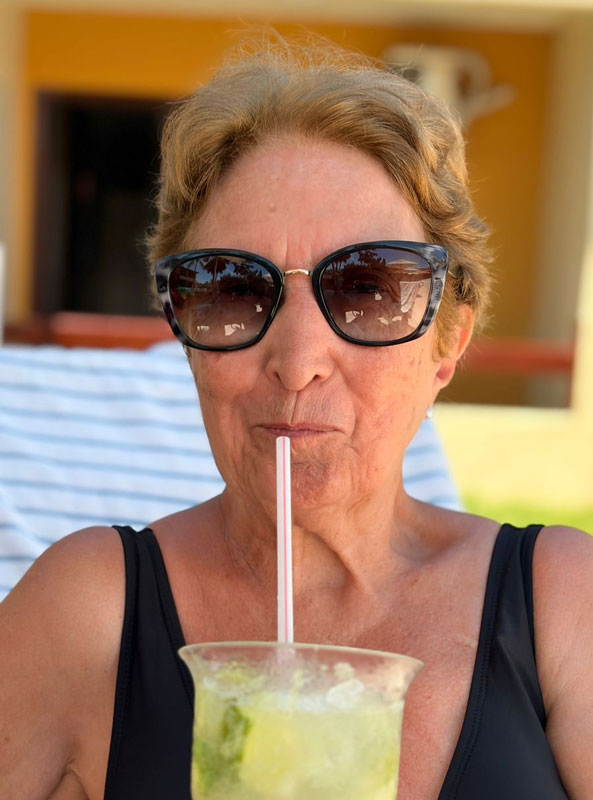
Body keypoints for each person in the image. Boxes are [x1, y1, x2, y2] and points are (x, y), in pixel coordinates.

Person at [1, 39, 592, 800]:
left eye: (369, 289)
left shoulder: (561, 601)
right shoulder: (86, 610)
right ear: (187, 339)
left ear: (447, 344)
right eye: (233, 289)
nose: (298, 360)